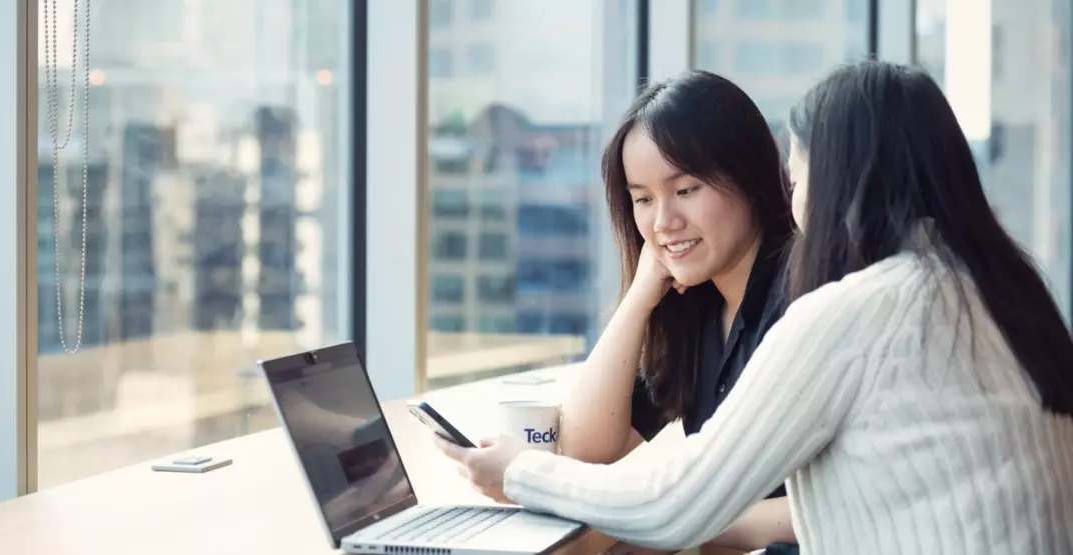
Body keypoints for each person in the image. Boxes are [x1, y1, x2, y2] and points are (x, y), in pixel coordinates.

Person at [435, 60, 1073, 554]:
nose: (794, 197)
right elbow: (610, 451)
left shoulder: (860, 310)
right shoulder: (989, 286)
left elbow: (680, 502)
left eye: (798, 176)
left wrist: (519, 473)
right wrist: (640, 293)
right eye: (643, 200)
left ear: (837, 181)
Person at [555, 70, 798, 554]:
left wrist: (681, 518)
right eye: (643, 199)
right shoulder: (697, 305)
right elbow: (586, 448)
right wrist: (641, 294)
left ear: (748, 178)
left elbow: (844, 500)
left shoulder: (805, 294)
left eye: (686, 190)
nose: (664, 222)